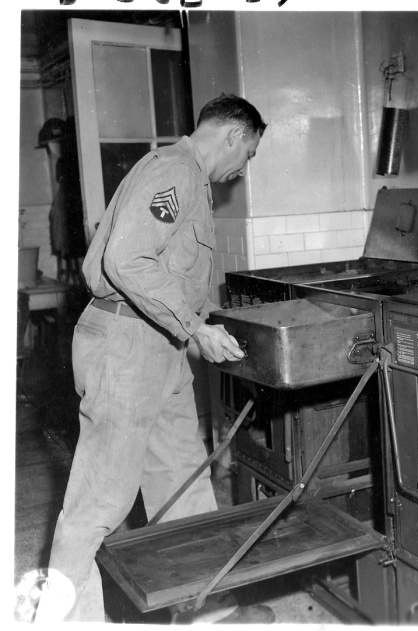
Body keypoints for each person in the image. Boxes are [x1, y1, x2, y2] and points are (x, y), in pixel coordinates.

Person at [34, 94, 267, 623]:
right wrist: (194, 328)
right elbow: (126, 259)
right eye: (249, 154)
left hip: (160, 348)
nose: (242, 169)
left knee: (182, 478)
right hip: (126, 347)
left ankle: (202, 608)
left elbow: (167, 274)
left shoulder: (191, 181)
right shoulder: (175, 171)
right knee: (100, 499)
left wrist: (199, 326)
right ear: (234, 135)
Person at [37, 117, 87, 284]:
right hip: (70, 213)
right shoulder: (64, 162)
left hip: (76, 212)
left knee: (78, 257)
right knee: (74, 257)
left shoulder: (74, 162)